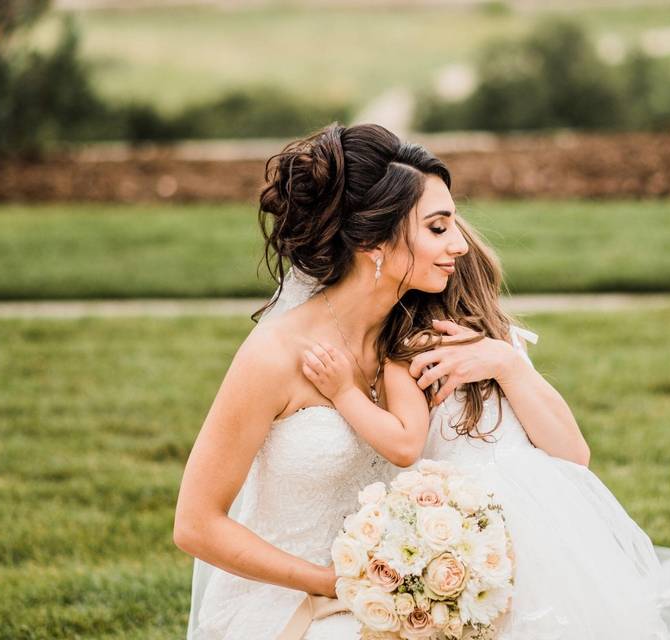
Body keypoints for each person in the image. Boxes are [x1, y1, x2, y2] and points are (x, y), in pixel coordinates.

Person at [300, 213, 670, 639]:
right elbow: (409, 443)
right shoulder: (416, 352)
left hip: (544, 524)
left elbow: (573, 452)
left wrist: (504, 364)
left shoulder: (492, 348)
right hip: (469, 526)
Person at [173, 121, 472, 639]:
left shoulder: (411, 341)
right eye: (439, 228)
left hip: (393, 600)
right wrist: (330, 583)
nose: (462, 245)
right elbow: (196, 524)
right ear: (375, 241)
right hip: (287, 605)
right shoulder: (276, 355)